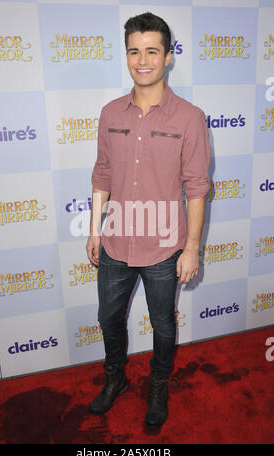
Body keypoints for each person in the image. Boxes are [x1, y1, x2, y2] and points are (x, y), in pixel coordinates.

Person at [86, 12, 210, 429]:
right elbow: (102, 173)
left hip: (164, 247)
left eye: (152, 51)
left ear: (168, 56)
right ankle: (115, 378)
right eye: (134, 51)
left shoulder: (190, 117)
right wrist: (94, 231)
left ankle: (159, 384)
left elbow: (196, 187)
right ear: (126, 55)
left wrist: (191, 249)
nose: (143, 60)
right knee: (108, 318)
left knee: (163, 323)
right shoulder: (109, 113)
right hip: (115, 241)